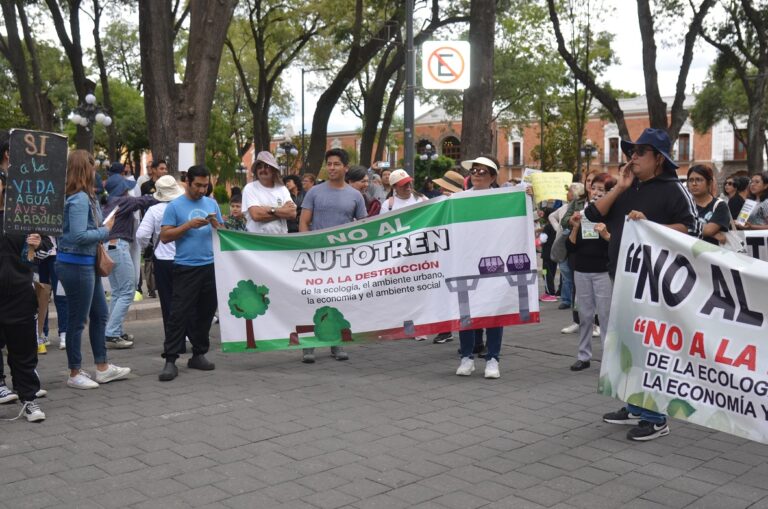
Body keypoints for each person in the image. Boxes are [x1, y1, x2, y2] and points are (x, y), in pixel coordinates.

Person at [585, 128, 699, 441]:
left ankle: (655, 416)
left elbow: (693, 228)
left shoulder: (674, 189)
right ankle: (635, 405)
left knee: (651, 346)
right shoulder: (628, 186)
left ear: (658, 159)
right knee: (628, 344)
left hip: (654, 282)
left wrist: (651, 226)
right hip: (621, 275)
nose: (632, 158)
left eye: (640, 153)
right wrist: (620, 186)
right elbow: (592, 214)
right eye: (631, 152)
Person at [56, 150, 132, 390]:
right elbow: (79, 235)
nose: (96, 171)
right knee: (78, 321)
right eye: (92, 166)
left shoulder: (83, 196)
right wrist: (106, 230)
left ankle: (102, 367)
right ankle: (75, 372)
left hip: (84, 262)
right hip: (76, 263)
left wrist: (102, 226)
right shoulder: (78, 198)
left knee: (99, 315)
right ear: (84, 169)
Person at [299, 148, 366, 363]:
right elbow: (304, 222)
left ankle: (336, 343)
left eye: (336, 164)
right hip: (316, 256)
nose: (331, 168)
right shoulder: (315, 192)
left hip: (343, 258)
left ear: (346, 168)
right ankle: (309, 345)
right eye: (329, 164)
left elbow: (364, 225)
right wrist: (306, 246)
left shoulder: (355, 195)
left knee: (338, 299)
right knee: (312, 298)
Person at [158, 165, 223, 381]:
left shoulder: (212, 203)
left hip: (210, 265)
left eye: (206, 185)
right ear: (187, 182)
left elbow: (222, 232)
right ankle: (170, 359)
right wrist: (188, 225)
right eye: (198, 185)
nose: (202, 190)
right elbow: (165, 236)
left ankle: (199, 353)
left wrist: (216, 225)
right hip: (186, 267)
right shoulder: (175, 206)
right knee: (179, 313)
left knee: (205, 313)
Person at [0, 170, 48, 421]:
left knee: (23, 351)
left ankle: (29, 399)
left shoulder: (21, 216)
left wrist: (36, 246)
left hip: (19, 294)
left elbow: (41, 255)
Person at [454, 155, 505, 379]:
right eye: (473, 171)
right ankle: (467, 357)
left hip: (493, 262)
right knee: (465, 311)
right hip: (466, 262)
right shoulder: (459, 199)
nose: (476, 175)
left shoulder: (503, 199)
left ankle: (492, 358)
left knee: (494, 311)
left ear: (493, 177)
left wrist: (527, 197)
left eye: (482, 172)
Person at [566, 173, 616, 371]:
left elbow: (617, 244)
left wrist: (605, 234)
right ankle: (583, 356)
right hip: (582, 269)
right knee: (585, 315)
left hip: (603, 271)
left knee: (604, 315)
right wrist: (576, 227)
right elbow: (570, 247)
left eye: (602, 190)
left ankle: (608, 359)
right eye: (594, 188)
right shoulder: (582, 211)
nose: (596, 192)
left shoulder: (612, 213)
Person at [102, 171, 158, 348]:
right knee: (127, 291)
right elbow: (145, 201)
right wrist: (164, 196)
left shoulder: (109, 202)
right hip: (118, 246)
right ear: (121, 190)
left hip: (110, 247)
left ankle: (113, 330)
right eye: (126, 188)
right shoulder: (121, 201)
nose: (129, 191)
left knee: (118, 292)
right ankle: (112, 334)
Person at [136, 175, 185, 349]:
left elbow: (141, 235)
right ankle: (188, 334)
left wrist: (149, 246)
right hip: (185, 257)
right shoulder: (183, 208)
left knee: (167, 301)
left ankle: (173, 339)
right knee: (186, 299)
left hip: (163, 260)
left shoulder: (154, 211)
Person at [241, 151, 295, 234]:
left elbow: (292, 213)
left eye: (267, 166)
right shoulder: (250, 188)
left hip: (281, 239)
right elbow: (256, 215)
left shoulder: (282, 189)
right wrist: (282, 211)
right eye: (259, 167)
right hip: (257, 240)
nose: (263, 169)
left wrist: (270, 210)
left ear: (273, 170)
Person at [687, 165, 731, 245]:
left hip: (711, 254)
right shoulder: (684, 204)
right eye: (690, 180)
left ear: (709, 183)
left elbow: (708, 230)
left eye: (699, 180)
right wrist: (713, 234)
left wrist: (687, 227)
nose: (694, 184)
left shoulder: (719, 205)